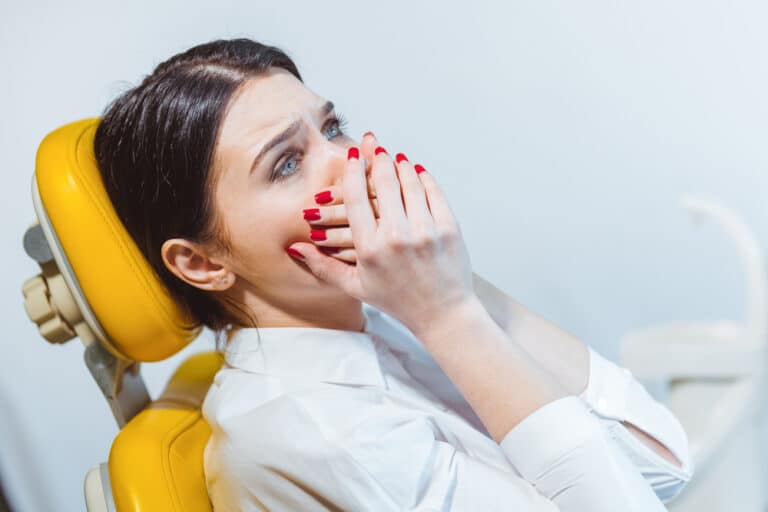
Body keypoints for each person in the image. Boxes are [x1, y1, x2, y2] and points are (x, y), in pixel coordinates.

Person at [94, 38, 693, 510]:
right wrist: (449, 313)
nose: (351, 161)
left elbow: (661, 464)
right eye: (286, 164)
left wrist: (453, 283)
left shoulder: (377, 323)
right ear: (202, 263)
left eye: (331, 128)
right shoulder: (315, 431)